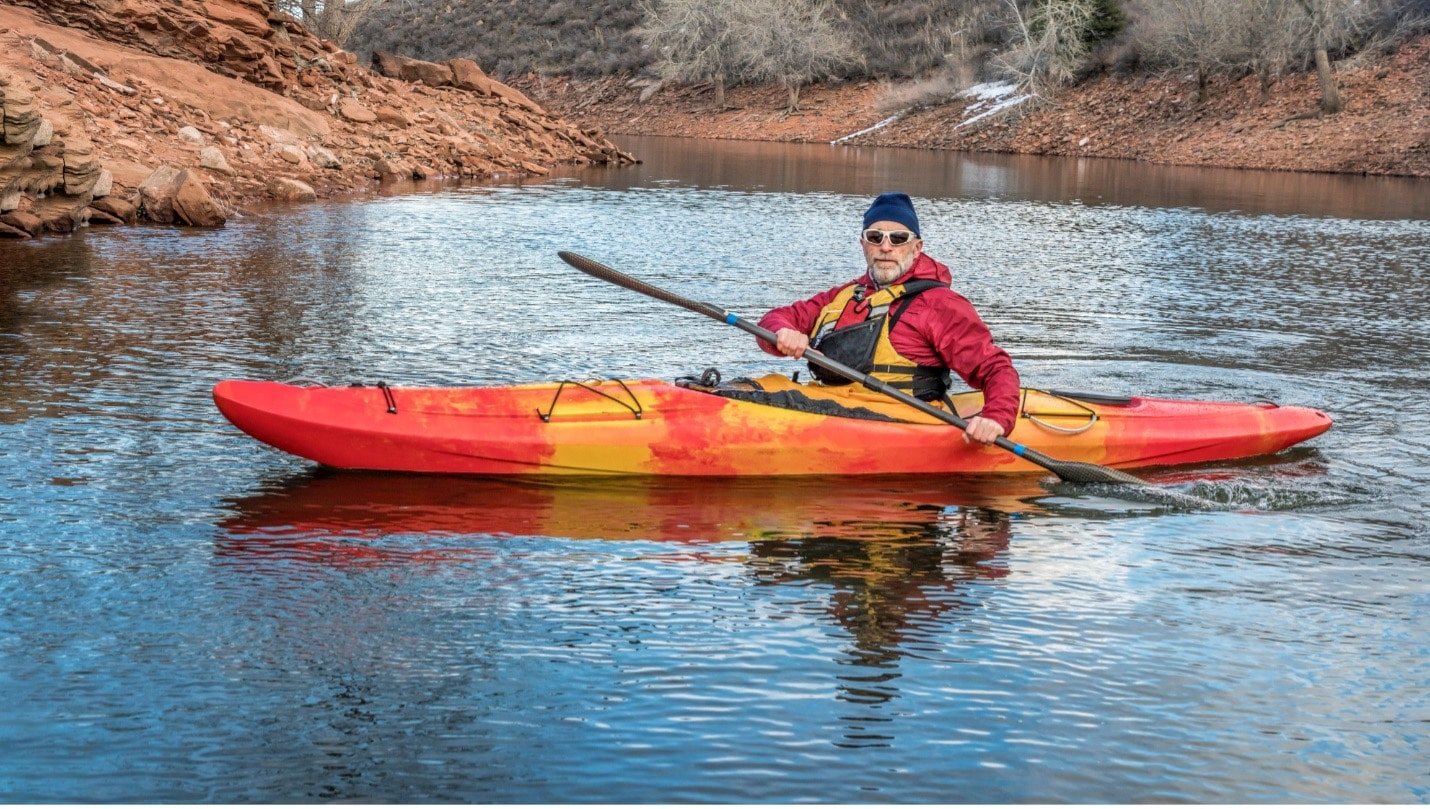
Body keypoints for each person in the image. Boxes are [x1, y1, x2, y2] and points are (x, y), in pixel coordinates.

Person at [757, 192, 1020, 445]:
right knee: (754, 387)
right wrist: (783, 332)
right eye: (875, 237)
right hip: (834, 405)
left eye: (898, 238)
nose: (885, 247)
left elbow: (995, 368)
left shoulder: (940, 305)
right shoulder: (843, 295)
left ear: (916, 248)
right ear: (863, 245)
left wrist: (996, 418)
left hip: (898, 420)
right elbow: (777, 318)